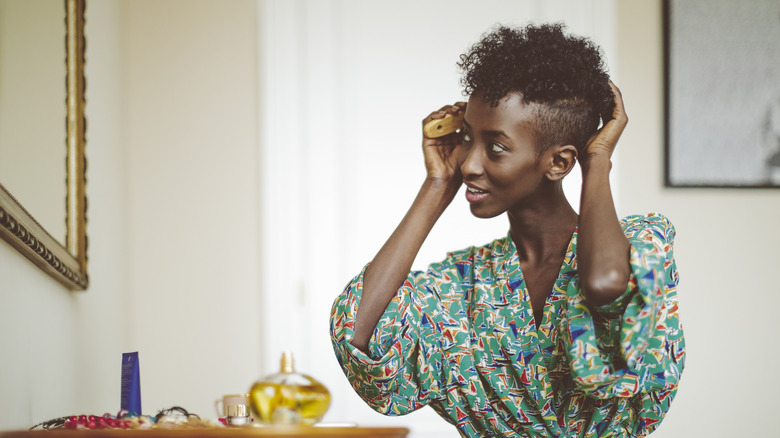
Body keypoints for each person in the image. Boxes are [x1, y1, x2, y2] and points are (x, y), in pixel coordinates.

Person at [330, 23, 685, 437]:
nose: (468, 165)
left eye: (494, 147)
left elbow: (604, 284)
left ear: (559, 163)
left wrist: (598, 161)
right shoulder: (462, 284)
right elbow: (357, 332)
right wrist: (437, 185)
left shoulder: (643, 243)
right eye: (467, 138)